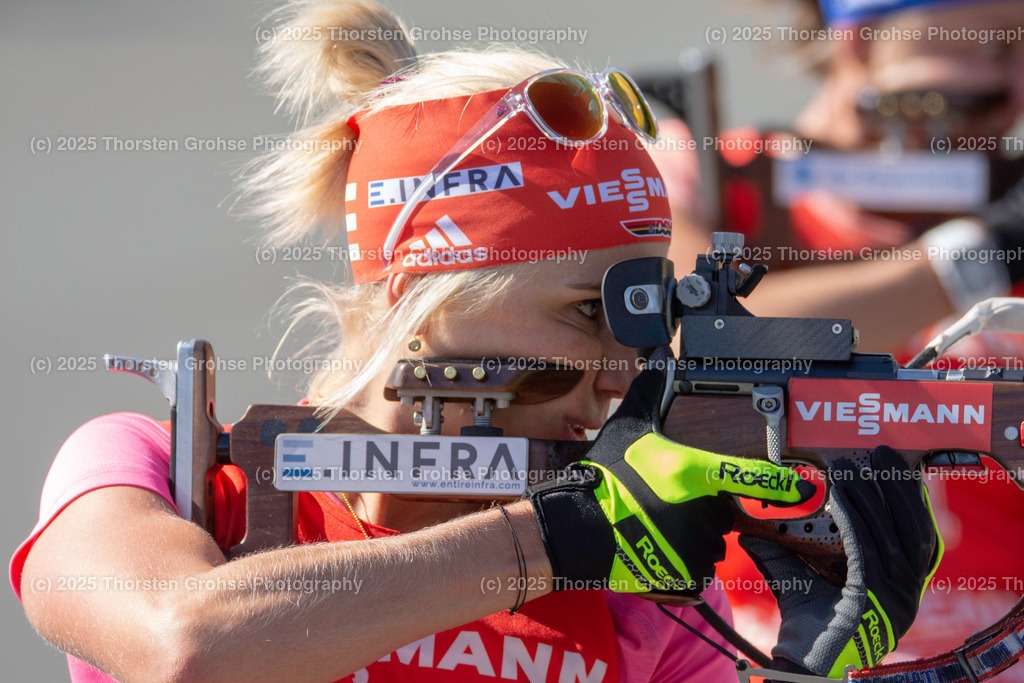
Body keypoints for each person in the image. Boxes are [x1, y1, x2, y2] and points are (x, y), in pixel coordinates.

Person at [11, 1, 940, 681]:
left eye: (642, 322)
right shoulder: (159, 467)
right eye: (587, 311)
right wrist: (555, 537)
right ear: (419, 293)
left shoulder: (635, 586)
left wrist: (797, 665)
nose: (624, 372)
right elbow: (183, 642)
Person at [653, 0, 1024, 671]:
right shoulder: (710, 173)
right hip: (773, 648)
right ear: (861, 39)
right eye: (996, 43)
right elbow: (690, 339)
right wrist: (985, 251)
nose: (1017, 88)